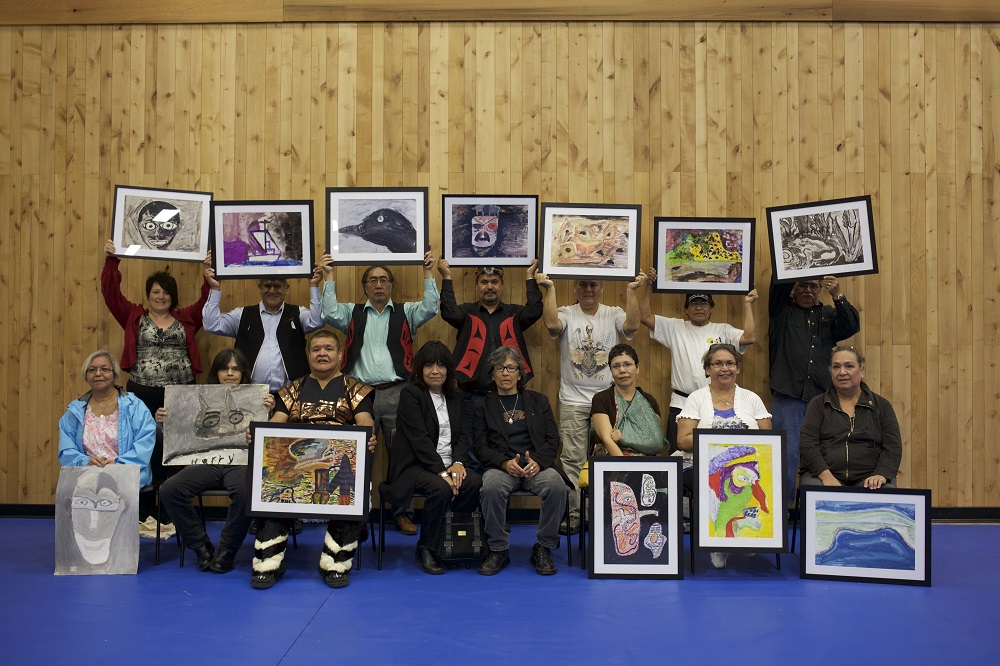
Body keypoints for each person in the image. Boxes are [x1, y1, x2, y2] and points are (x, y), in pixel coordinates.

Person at [320, 249, 440, 536]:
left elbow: (431, 306)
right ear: (365, 287)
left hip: (398, 392)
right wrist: (328, 276)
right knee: (355, 455)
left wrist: (427, 273)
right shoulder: (351, 312)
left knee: (402, 455)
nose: (378, 285)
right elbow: (327, 311)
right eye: (372, 280)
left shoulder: (406, 312)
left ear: (391, 286)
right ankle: (352, 513)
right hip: (359, 394)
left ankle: (402, 513)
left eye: (383, 280)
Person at [251, 330, 377, 590]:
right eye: (316, 349)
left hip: (338, 463)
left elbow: (365, 420)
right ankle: (268, 561)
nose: (322, 353)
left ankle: (335, 562)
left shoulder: (356, 389)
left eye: (329, 349)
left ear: (340, 355)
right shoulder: (291, 390)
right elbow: (276, 423)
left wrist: (369, 435)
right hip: (296, 464)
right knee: (271, 484)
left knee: (351, 488)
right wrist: (259, 434)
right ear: (308, 356)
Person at [102, 240, 210, 536]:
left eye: (166, 293)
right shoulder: (133, 316)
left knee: (178, 449)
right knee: (145, 449)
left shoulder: (186, 319)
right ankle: (148, 509)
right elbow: (111, 294)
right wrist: (112, 261)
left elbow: (207, 299)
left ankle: (177, 506)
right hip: (141, 392)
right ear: (149, 296)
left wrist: (208, 271)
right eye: (156, 292)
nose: (161, 297)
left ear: (173, 297)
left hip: (181, 395)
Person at [537, 273, 640, 535]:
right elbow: (551, 326)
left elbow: (631, 328)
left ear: (602, 287)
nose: (588, 289)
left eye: (594, 284)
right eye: (582, 284)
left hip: (607, 400)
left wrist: (632, 291)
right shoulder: (566, 312)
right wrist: (548, 288)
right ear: (574, 287)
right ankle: (575, 514)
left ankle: (608, 511)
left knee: (609, 456)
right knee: (572, 458)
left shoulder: (613, 312)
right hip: (572, 400)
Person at [158, 349, 275, 573]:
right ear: (216, 372)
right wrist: (164, 421)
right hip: (205, 462)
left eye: (235, 369)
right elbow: (180, 432)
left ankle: (227, 550)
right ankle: (201, 547)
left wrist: (270, 411)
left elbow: (272, 437)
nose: (230, 373)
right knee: (170, 489)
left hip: (242, 462)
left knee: (245, 492)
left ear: (243, 373)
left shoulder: (259, 399)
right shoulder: (192, 398)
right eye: (224, 368)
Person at [381, 341, 483, 575]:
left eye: (440, 365)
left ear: (448, 369)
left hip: (448, 463)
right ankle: (426, 547)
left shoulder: (456, 396)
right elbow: (419, 441)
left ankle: (453, 542)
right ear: (419, 369)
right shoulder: (411, 394)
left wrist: (458, 463)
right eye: (428, 365)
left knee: (474, 482)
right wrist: (443, 473)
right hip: (415, 466)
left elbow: (462, 435)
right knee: (441, 489)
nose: (435, 371)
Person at [638, 268, 758, 451]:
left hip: (715, 405)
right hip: (681, 403)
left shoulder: (722, 330)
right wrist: (648, 285)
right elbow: (645, 317)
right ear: (686, 309)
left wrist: (748, 304)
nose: (699, 307)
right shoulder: (675, 327)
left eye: (704, 303)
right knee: (679, 456)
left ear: (711, 308)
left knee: (716, 453)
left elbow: (749, 337)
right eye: (694, 304)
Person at [675, 343, 772, 569]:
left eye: (729, 363)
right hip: (701, 465)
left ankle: (744, 533)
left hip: (747, 466)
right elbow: (683, 441)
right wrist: (717, 443)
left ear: (738, 368)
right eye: (717, 363)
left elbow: (769, 440)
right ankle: (718, 541)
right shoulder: (696, 399)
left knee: (751, 481)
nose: (724, 368)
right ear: (708, 369)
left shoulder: (752, 399)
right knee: (717, 483)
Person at [474, 346, 566, 576]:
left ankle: (543, 547)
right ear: (492, 373)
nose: (505, 373)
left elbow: (553, 439)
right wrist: (504, 463)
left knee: (557, 486)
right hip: (501, 467)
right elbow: (479, 446)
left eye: (511, 368)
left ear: (520, 373)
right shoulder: (482, 405)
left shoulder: (538, 401)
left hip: (536, 466)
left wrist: (538, 461)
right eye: (499, 368)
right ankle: (498, 549)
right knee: (491, 487)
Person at [769, 276, 860, 504]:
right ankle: (785, 511)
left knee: (825, 454)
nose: (808, 290)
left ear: (819, 289)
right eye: (802, 285)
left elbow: (851, 325)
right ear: (793, 288)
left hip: (822, 399)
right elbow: (778, 281)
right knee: (787, 456)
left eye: (813, 286)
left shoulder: (828, 314)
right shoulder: (781, 310)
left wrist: (837, 295)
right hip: (788, 396)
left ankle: (822, 508)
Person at [57, 350, 156, 537]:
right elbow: (66, 449)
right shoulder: (75, 410)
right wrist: (84, 461)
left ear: (114, 374)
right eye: (92, 370)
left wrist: (118, 465)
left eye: (104, 369)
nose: (98, 374)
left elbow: (145, 443)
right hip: (86, 472)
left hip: (126, 472)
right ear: (86, 376)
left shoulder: (135, 406)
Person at [202, 252, 324, 392]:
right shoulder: (241, 315)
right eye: (267, 285)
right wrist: (215, 288)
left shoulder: (298, 313)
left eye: (277, 286)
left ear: (286, 289)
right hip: (250, 394)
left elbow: (317, 321)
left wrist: (314, 286)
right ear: (259, 288)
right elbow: (211, 324)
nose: (272, 290)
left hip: (292, 394)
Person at [799, 346, 902, 490]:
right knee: (817, 490)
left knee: (884, 492)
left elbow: (893, 447)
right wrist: (825, 475)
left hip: (869, 476)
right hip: (823, 475)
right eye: (836, 367)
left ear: (861, 371)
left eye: (849, 366)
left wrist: (881, 474)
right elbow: (807, 444)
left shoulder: (882, 406)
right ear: (831, 372)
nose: (842, 372)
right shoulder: (817, 404)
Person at [590, 344, 663, 457]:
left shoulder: (649, 401)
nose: (622, 370)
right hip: (611, 462)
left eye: (627, 364)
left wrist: (623, 437)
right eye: (616, 366)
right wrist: (625, 467)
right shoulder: (601, 399)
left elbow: (654, 441)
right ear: (611, 371)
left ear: (637, 368)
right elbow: (607, 439)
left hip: (645, 464)